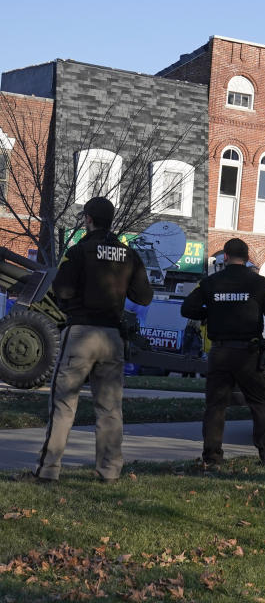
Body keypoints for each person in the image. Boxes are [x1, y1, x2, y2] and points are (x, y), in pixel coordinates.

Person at [32, 197, 154, 483]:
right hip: (112, 337)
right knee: (110, 408)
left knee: (63, 404)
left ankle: (48, 471)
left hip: (81, 333)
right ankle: (109, 472)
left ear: (88, 219)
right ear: (111, 220)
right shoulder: (128, 255)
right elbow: (144, 297)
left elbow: (61, 290)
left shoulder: (79, 251)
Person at [181, 238, 265, 469]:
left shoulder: (210, 282)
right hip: (249, 353)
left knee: (216, 406)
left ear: (225, 257)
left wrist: (210, 313)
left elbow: (187, 308)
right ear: (247, 258)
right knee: (259, 404)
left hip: (220, 353)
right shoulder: (260, 283)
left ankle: (212, 458)